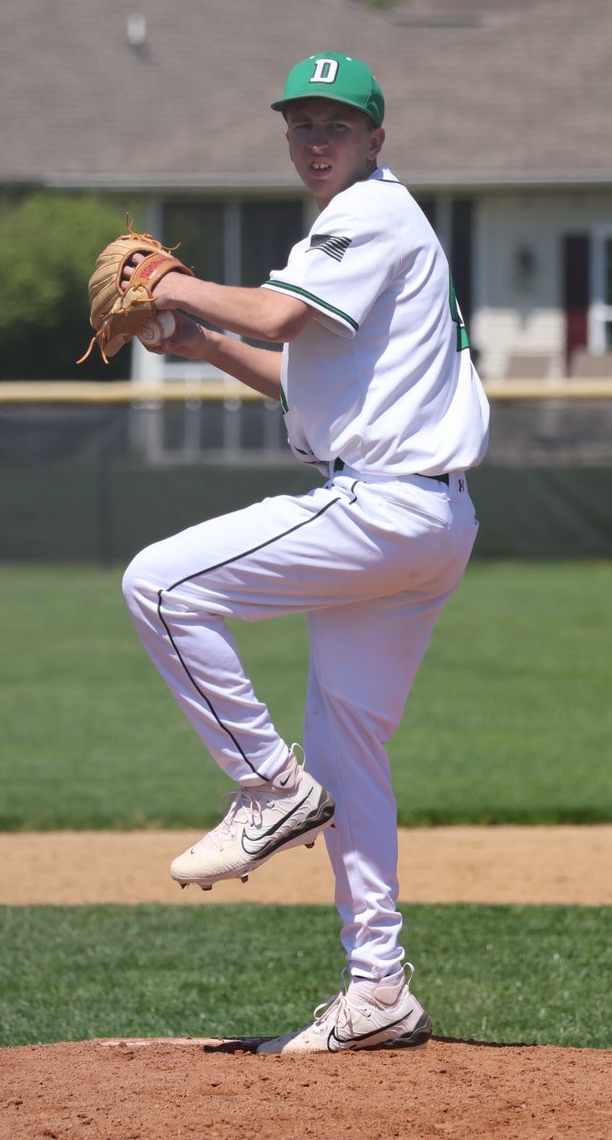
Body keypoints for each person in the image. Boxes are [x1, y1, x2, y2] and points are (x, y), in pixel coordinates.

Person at [121, 51, 490, 1054]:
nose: (315, 139)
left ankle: (266, 789)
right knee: (351, 758)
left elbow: (277, 313)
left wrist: (174, 282)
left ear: (376, 137)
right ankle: (378, 989)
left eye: (336, 123)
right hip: (426, 521)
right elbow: (301, 378)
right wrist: (200, 342)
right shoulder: (366, 228)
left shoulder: (366, 213)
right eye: (300, 123)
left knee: (158, 584)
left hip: (382, 510)